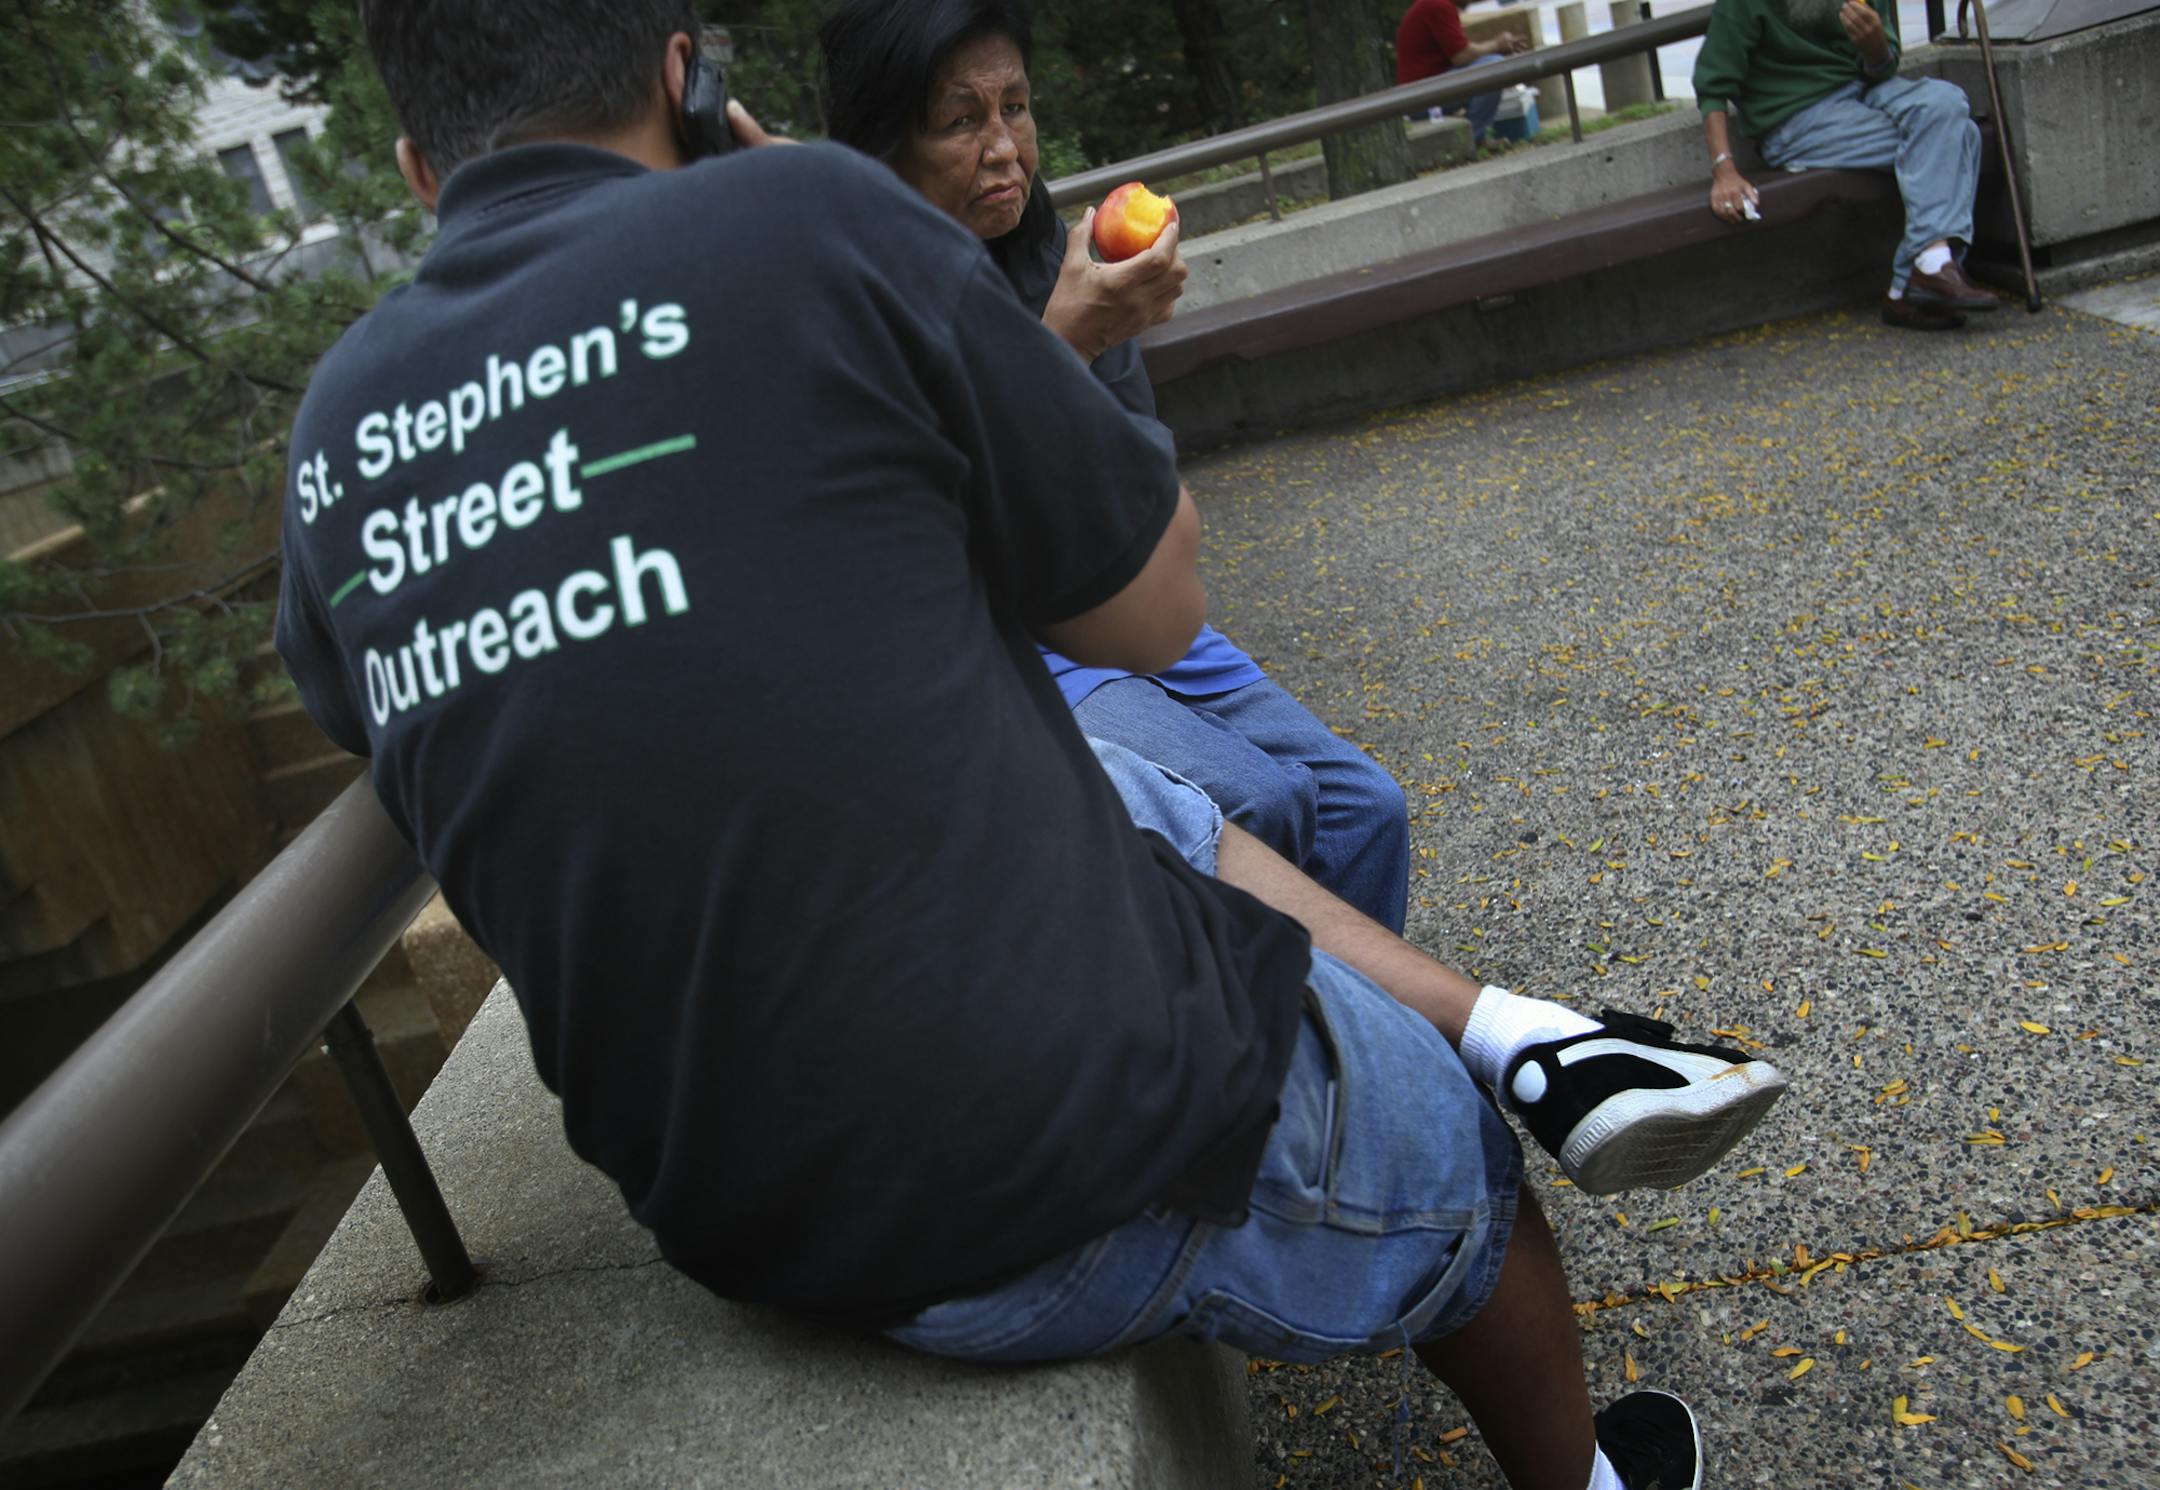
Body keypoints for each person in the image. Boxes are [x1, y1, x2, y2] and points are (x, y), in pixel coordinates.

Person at [282, 5, 1790, 1486]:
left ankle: (1519, 1028)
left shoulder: (336, 427)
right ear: (686, 77)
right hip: (1024, 1161)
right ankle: (1583, 1454)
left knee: (1126, 792)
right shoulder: (807, 216)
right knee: (1461, 1166)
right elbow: (1151, 610)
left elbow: (412, 728)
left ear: (421, 171)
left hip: (724, 1200)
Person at [820, 0, 1414, 933]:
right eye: (960, 120)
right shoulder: (845, 294)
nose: (1005, 147)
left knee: (1364, 809)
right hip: (993, 635)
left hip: (1110, 604)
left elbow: (1134, 495)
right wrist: (1061, 346)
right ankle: (1244, 1051)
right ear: (882, 145)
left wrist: (1089, 337)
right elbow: (921, 546)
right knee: (1258, 801)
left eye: (1015, 106)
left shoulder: (1068, 261)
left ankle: (1355, 1048)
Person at [1694, 0, 1998, 330]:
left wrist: (1875, 46)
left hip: (1865, 93)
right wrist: (1724, 170)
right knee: (1958, 135)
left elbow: (1883, 67)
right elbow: (1713, 83)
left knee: (1946, 104)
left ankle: (1923, 275)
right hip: (1796, 118)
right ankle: (1921, 277)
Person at [1397, 0, 1531, 145]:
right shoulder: (1438, 5)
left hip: (1424, 92)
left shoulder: (1436, 4)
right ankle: (1473, 139)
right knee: (1494, 67)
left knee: (1491, 62)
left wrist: (1496, 48)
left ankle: (1474, 136)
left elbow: (1462, 54)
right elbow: (1461, 56)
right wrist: (1497, 45)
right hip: (1421, 99)